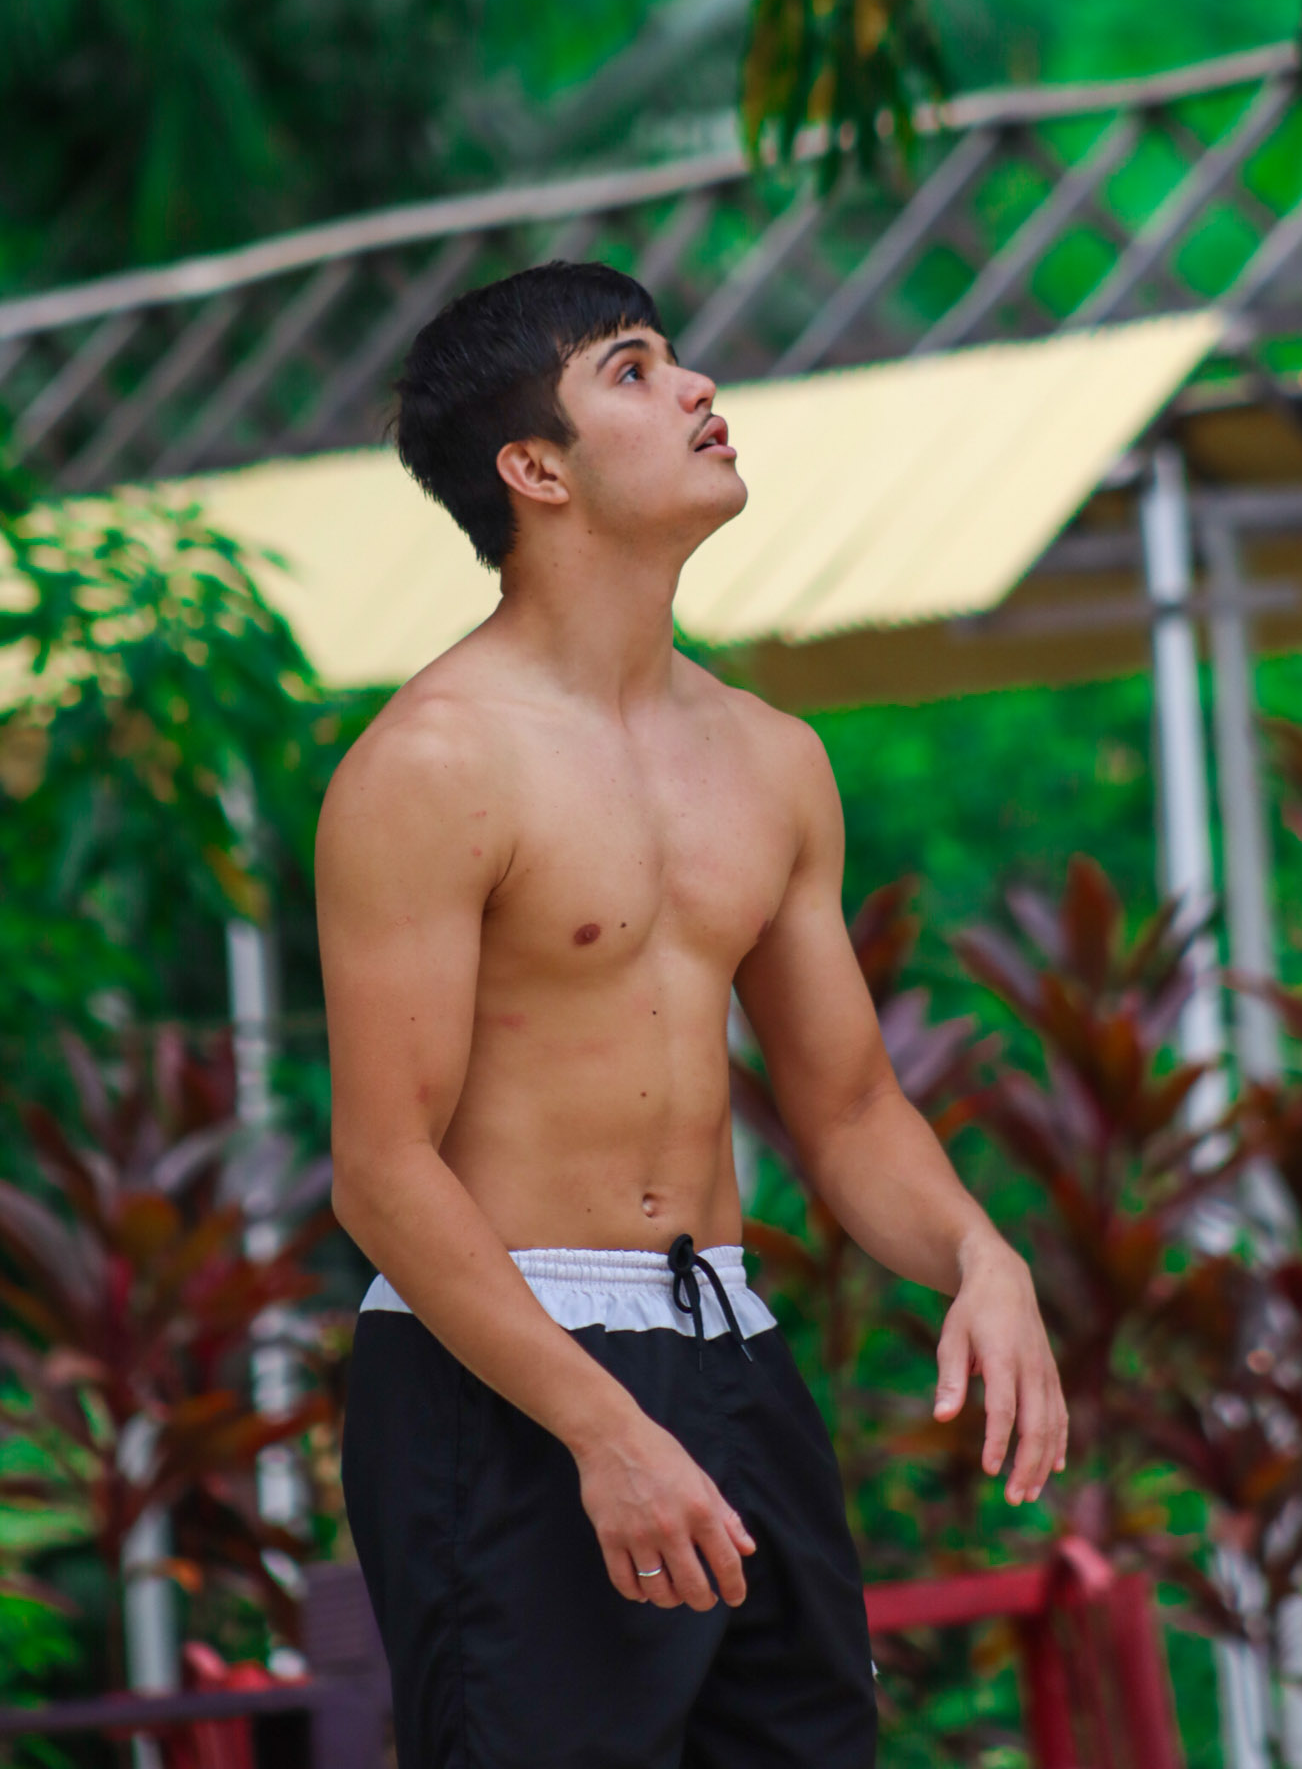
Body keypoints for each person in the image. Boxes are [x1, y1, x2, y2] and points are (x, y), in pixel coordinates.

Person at [320, 261, 1067, 1769]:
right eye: (632, 369)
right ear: (536, 471)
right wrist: (601, 1428)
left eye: (673, 358)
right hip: (508, 1377)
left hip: (730, 1349)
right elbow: (383, 1172)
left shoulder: (770, 757)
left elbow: (848, 1110)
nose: (697, 388)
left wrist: (979, 1257)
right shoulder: (432, 765)